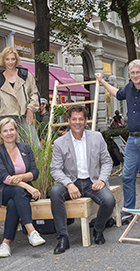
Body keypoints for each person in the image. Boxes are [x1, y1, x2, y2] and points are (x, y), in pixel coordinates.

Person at [96, 60, 140, 221]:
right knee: (127, 175)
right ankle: (129, 210)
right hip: (132, 139)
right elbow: (116, 93)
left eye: (138, 72)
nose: (135, 75)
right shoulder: (129, 88)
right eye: (132, 73)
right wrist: (102, 81)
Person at [49, 106, 116, 254]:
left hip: (93, 181)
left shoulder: (97, 137)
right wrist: (68, 184)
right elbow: (55, 169)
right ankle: (62, 238)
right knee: (55, 192)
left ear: (86, 121)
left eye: (81, 119)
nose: (77, 122)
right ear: (69, 121)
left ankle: (98, 229)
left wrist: (102, 180)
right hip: (71, 181)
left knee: (109, 200)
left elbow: (107, 162)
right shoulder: (60, 142)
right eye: (74, 119)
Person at [0, 118, 46, 258]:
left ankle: (6, 243)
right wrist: (28, 186)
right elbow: (4, 177)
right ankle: (31, 231)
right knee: (18, 191)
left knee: (14, 202)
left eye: (11, 129)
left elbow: (35, 172)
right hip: (3, 190)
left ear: (16, 131)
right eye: (5, 131)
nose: (9, 133)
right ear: (0, 134)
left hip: (19, 193)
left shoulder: (25, 148)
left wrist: (19, 178)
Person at [0, 46, 39, 134]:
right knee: (9, 147)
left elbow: (34, 93)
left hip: (24, 117)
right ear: (3, 60)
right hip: (5, 119)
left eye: (13, 59)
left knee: (35, 147)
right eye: (7, 59)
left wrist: (31, 108)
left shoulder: (26, 75)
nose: (10, 62)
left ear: (16, 60)